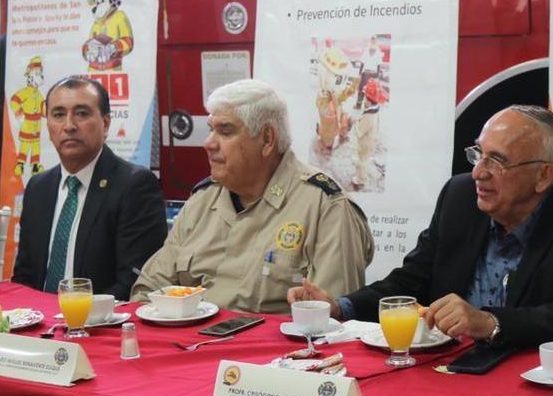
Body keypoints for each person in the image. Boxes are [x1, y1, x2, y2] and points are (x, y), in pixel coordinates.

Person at [290, 105, 553, 347]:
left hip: (533, 386)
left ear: (543, 176)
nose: (479, 172)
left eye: (497, 161)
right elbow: (413, 280)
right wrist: (341, 307)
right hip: (446, 369)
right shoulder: (460, 197)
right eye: (479, 154)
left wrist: (490, 322)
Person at [132, 79, 373, 314]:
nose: (208, 143)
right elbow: (147, 292)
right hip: (188, 339)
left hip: (273, 343)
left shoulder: (325, 207)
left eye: (225, 131)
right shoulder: (202, 200)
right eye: (211, 130)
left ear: (267, 139)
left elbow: (330, 320)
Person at [12, 76, 166, 296]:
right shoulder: (38, 187)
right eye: (58, 115)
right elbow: (24, 276)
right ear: (48, 125)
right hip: (37, 315)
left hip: (101, 315)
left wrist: (74, 313)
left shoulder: (134, 185)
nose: (69, 126)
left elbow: (133, 283)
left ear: (105, 124)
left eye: (82, 114)